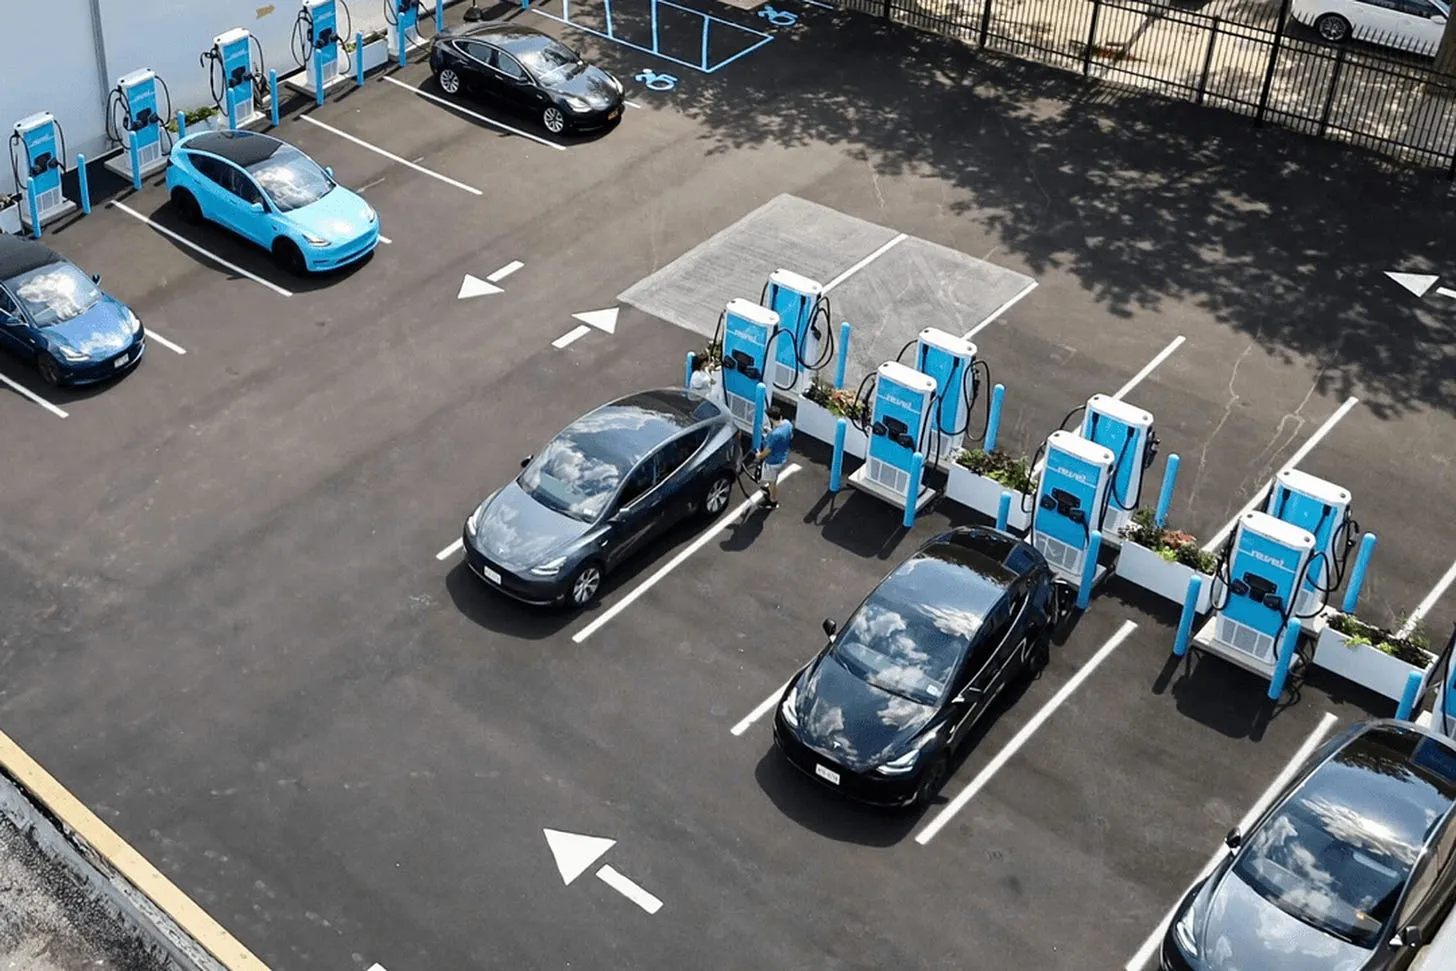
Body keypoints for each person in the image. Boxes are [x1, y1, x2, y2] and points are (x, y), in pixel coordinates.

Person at [755, 406, 793, 510]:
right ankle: (770, 489)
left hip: (772, 462)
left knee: (772, 482)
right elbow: (790, 436)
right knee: (773, 478)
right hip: (782, 457)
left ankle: (772, 501)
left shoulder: (775, 435)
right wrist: (770, 432)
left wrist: (759, 456)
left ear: (771, 418)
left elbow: (767, 451)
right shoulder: (787, 424)